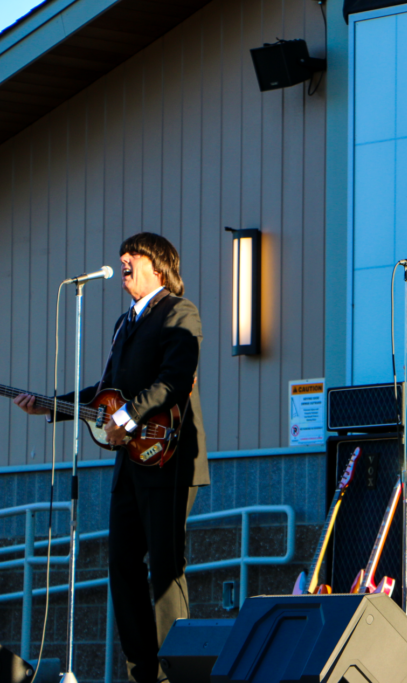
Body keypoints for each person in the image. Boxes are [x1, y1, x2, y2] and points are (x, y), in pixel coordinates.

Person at [15, 233, 208, 683]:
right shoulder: (125, 323)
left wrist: (129, 414)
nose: (123, 262)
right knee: (121, 563)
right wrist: (52, 405)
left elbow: (174, 380)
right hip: (131, 464)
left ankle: (178, 673)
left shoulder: (180, 311)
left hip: (169, 458)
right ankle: (144, 671)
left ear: (158, 267)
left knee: (165, 567)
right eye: (122, 257)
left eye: (133, 256)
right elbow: (104, 394)